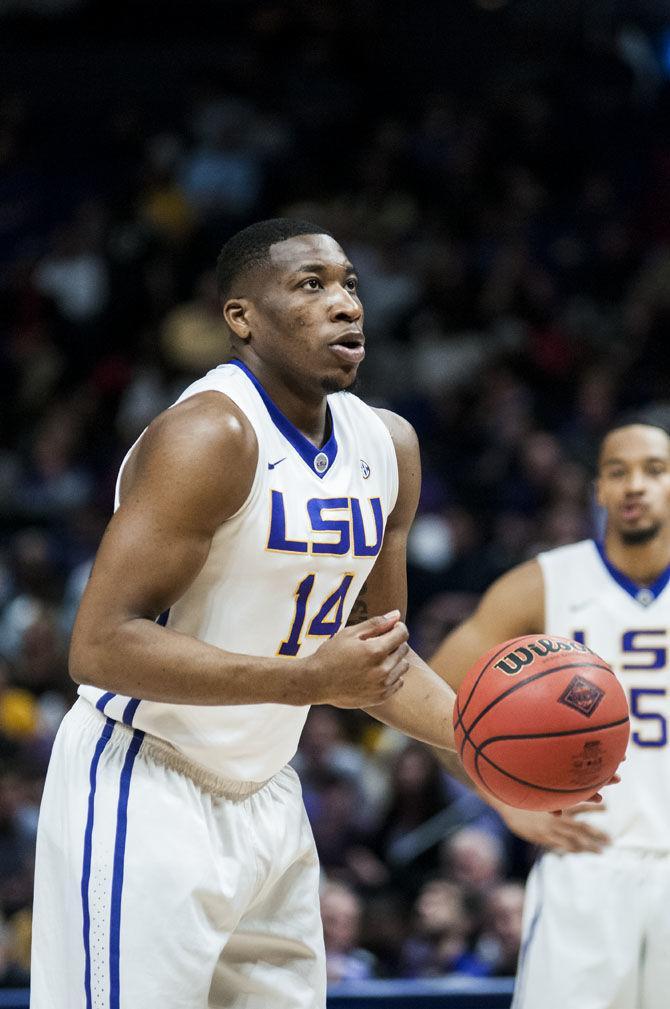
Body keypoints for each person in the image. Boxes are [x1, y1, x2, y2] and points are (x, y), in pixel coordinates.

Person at [30, 218, 460, 1009]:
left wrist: (487, 747)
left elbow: (378, 666)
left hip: (267, 795)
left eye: (351, 284)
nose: (345, 305)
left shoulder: (389, 445)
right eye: (311, 285)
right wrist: (303, 680)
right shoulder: (210, 434)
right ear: (241, 317)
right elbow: (95, 647)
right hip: (145, 781)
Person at [431, 417, 670, 1009]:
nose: (635, 485)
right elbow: (432, 690)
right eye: (618, 472)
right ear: (598, 491)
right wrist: (504, 802)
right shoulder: (544, 582)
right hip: (586, 862)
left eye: (654, 470)